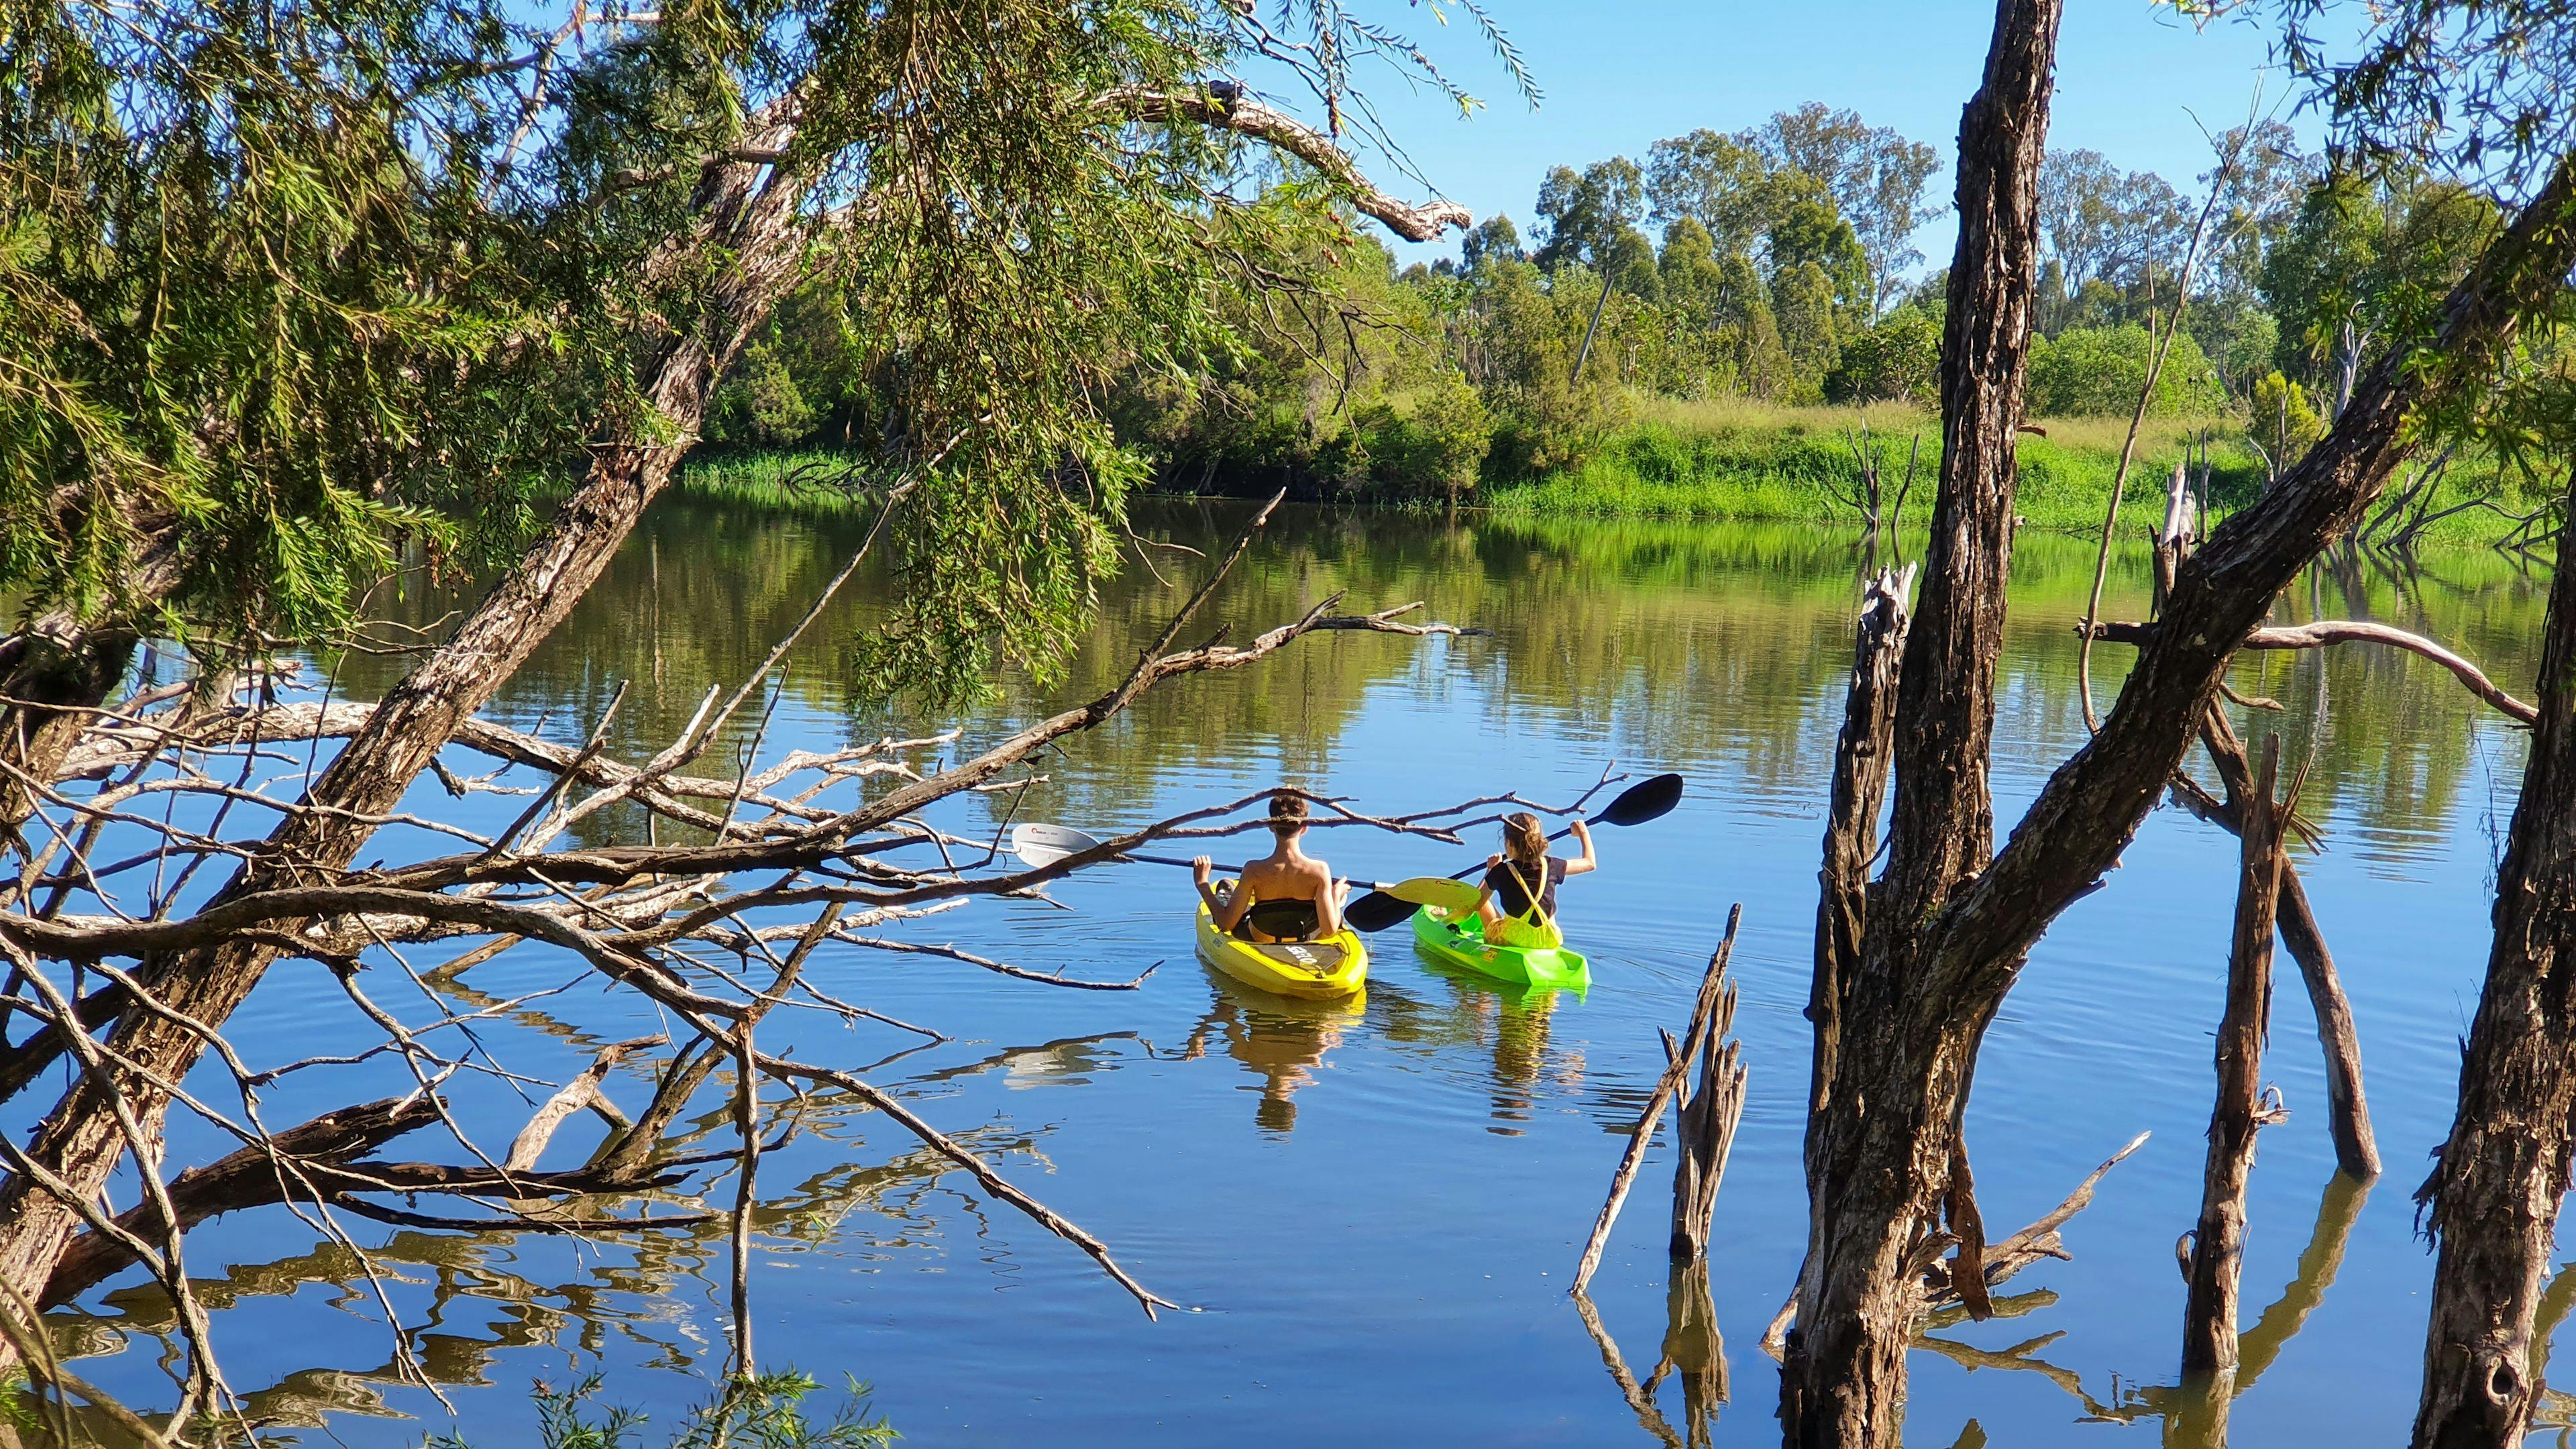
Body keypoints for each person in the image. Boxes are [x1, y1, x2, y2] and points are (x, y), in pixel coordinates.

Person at [1194, 794, 1348, 943]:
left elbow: (1226, 924)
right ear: (1305, 828)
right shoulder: (1319, 871)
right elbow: (1329, 929)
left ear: (1270, 826)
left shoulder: (1254, 870)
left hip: (1261, 937)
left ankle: (1227, 897)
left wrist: (1202, 884)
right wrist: (1336, 894)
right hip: (1303, 934)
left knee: (1240, 908)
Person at [1469, 811, 1594, 948]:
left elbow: (1476, 902)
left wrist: (1491, 869)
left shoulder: (1500, 871)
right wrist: (1583, 832)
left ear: (1509, 844)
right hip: (1548, 940)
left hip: (1513, 939)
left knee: (1482, 900)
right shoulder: (1553, 866)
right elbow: (1590, 863)